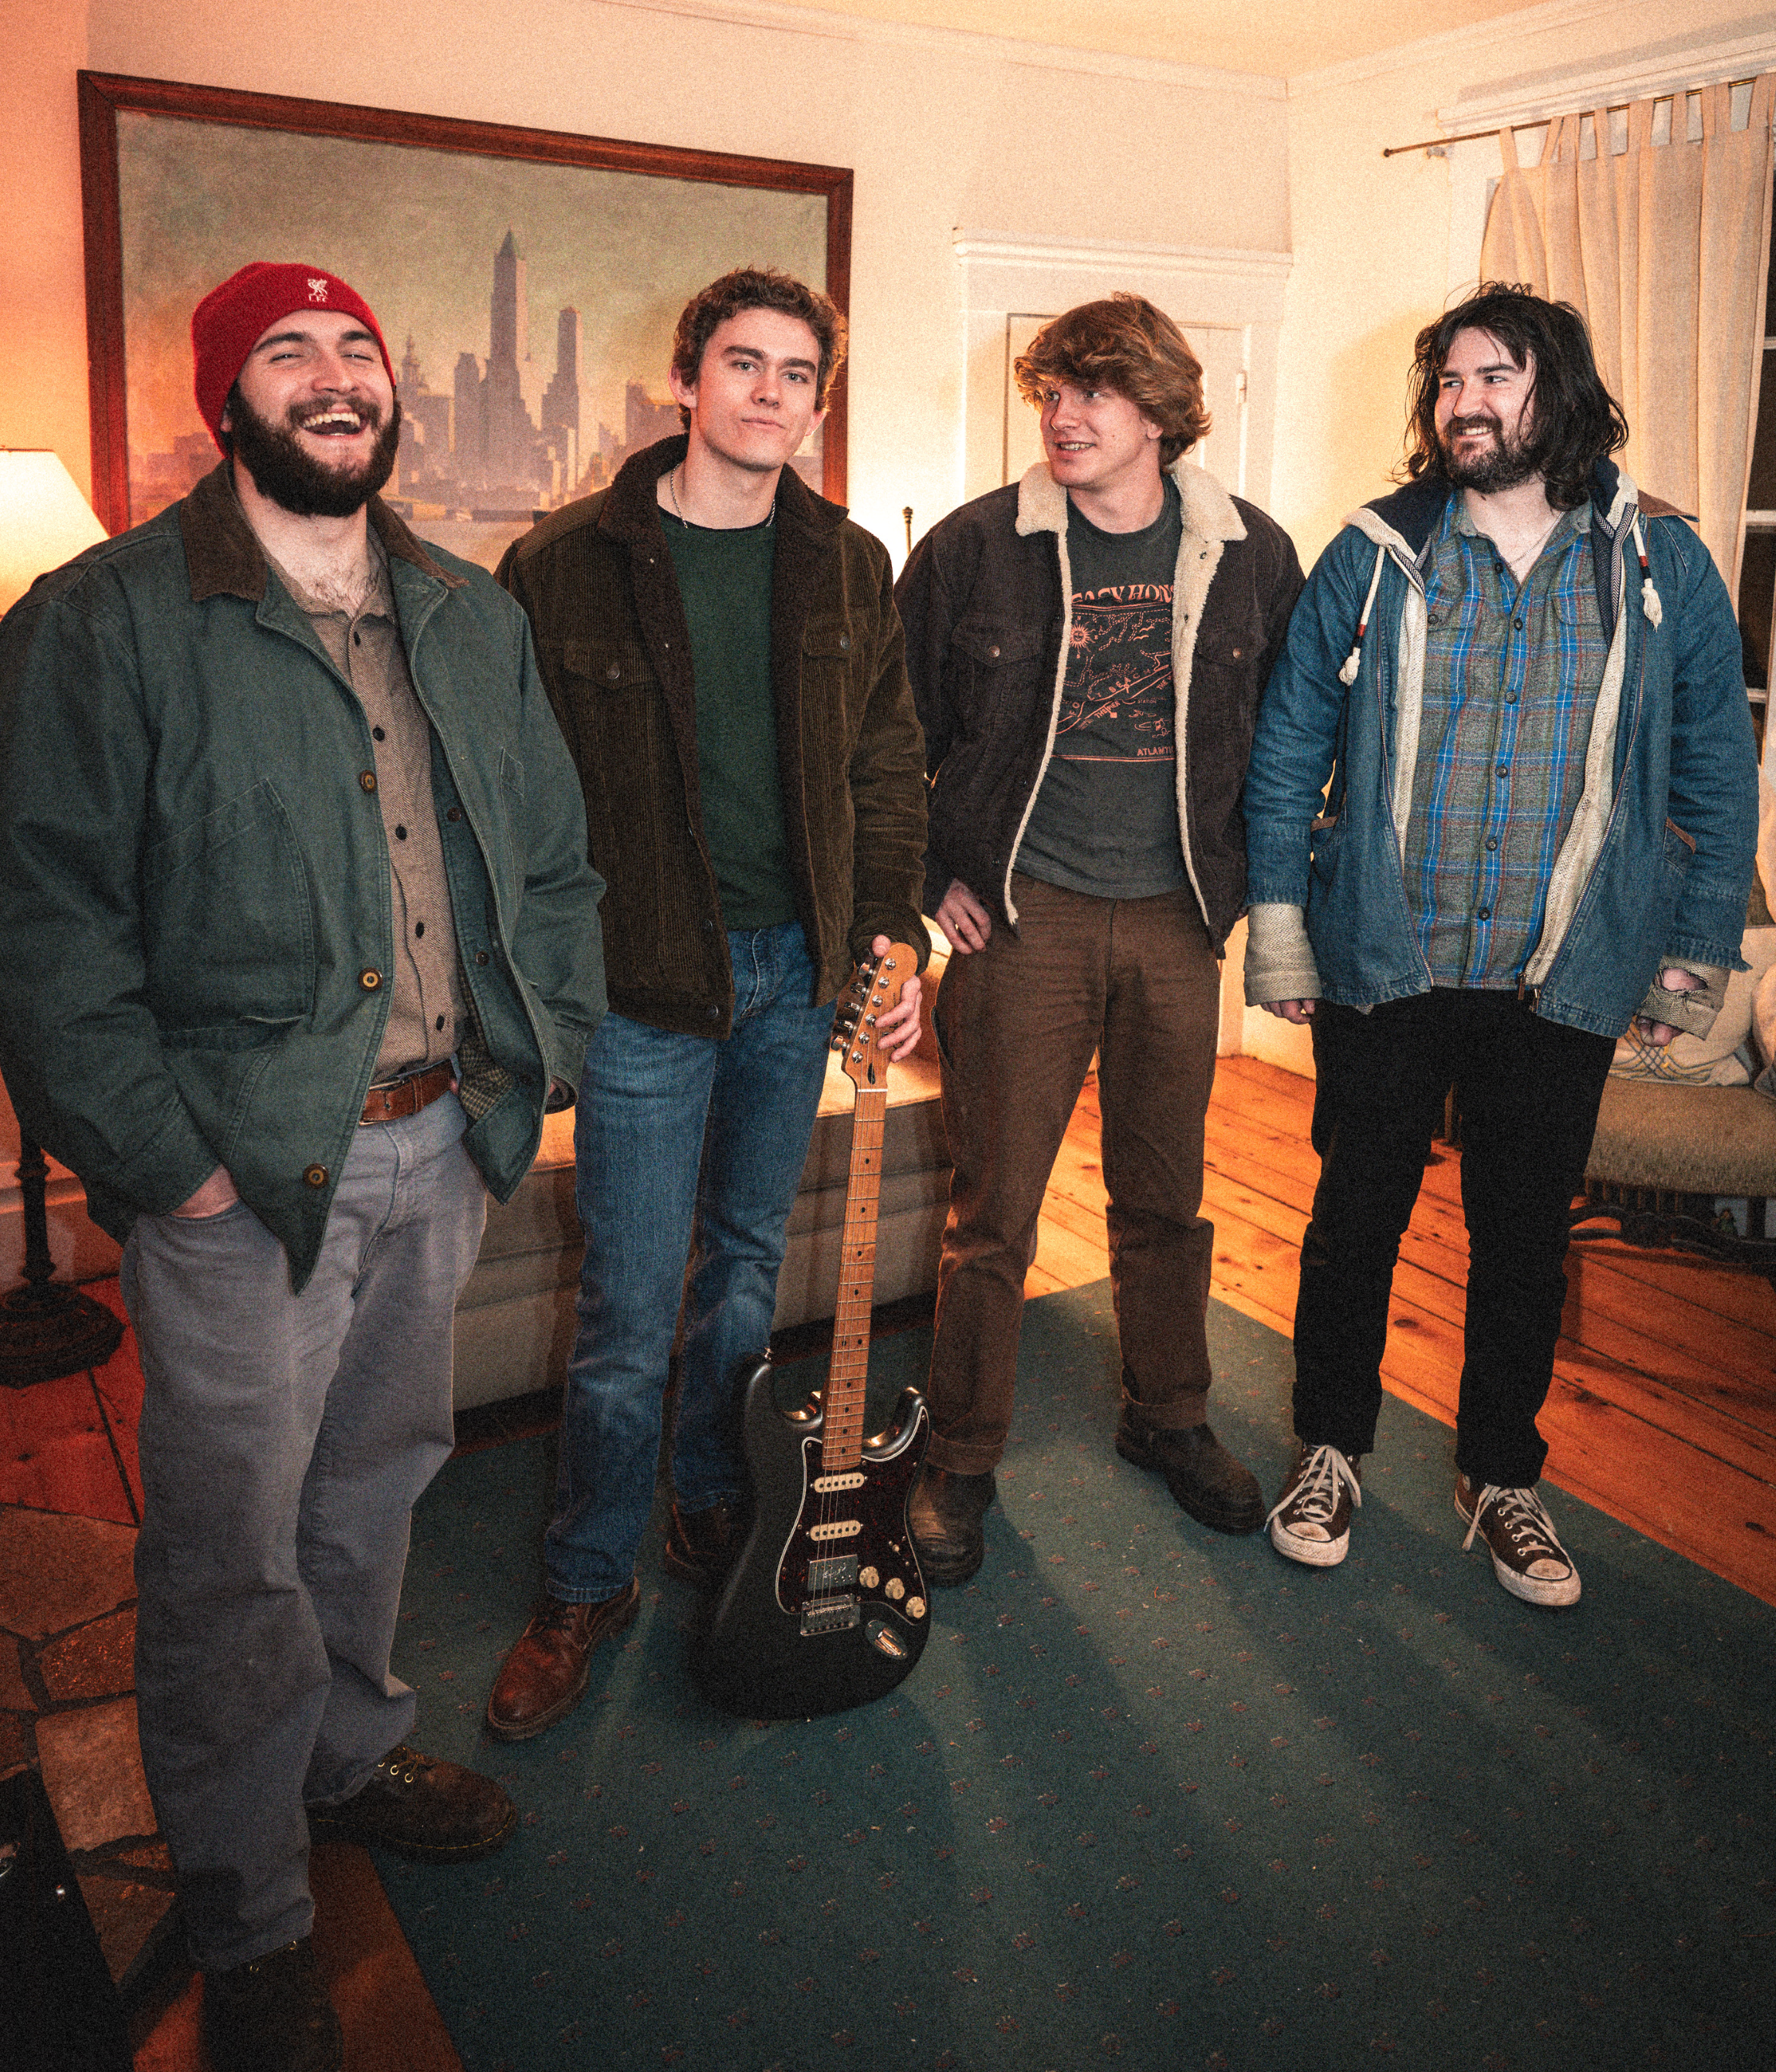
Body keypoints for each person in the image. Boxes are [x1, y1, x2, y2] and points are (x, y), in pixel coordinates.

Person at [0, 263, 605, 2072]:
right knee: (227, 1553)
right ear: (225, 401)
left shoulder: (466, 614)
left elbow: (556, 864)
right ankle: (250, 1896)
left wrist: (540, 1054)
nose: (335, 380)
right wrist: (167, 1166)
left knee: (377, 1484)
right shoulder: (103, 621)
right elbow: (44, 924)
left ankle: (345, 1759)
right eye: (291, 354)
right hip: (242, 1181)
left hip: (443, 1144)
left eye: (358, 352)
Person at [1243, 283, 1758, 1608]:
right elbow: (1290, 744)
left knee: (1524, 1230)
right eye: (1450, 381)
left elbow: (1713, 765)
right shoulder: (1375, 551)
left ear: (1561, 393)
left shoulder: (1660, 563)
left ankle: (1501, 1474)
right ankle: (1330, 1450)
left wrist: (1691, 956)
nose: (1463, 404)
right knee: (1357, 1213)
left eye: (1496, 378)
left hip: (1561, 966)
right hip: (1389, 956)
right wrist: (1285, 934)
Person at [486, 265, 930, 1739]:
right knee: (625, 1299)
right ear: (687, 379)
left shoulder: (850, 565)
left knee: (747, 1267)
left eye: (798, 375)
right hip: (643, 986)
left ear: (816, 401)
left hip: (796, 975)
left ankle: (708, 1503)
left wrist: (892, 944)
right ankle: (588, 1573)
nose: (770, 396)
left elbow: (883, 767)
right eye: (744, 365)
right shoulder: (564, 565)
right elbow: (510, 797)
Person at [893, 295, 1304, 1585]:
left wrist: (1262, 901)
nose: (1064, 417)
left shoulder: (1251, 554)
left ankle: (1168, 1414)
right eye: (1053, 392)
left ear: (1164, 413)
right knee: (992, 1214)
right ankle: (958, 1454)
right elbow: (883, 733)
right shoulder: (975, 548)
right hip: (1027, 917)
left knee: (1167, 1199)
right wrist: (925, 876)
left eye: (1095, 394)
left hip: (1181, 917)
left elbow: (1288, 745)